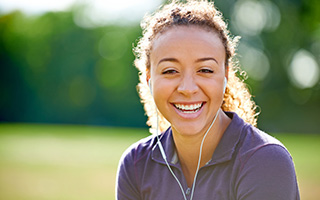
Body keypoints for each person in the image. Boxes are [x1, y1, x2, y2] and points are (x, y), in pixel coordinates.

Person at [116, 0, 300, 199]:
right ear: (149, 79)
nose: (187, 88)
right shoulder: (135, 164)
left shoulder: (265, 160)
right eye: (170, 71)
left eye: (205, 70)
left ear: (226, 76)